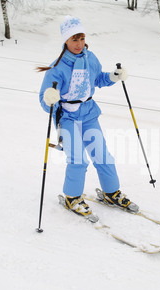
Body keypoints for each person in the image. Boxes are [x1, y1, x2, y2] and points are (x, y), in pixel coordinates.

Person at [37, 16, 138, 222]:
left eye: (81, 38)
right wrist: (50, 99)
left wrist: (113, 76)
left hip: (89, 114)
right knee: (78, 160)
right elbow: (44, 99)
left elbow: (98, 78)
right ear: (65, 40)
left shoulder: (90, 58)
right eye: (74, 39)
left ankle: (112, 193)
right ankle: (72, 198)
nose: (79, 44)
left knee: (102, 155)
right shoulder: (56, 68)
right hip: (67, 118)